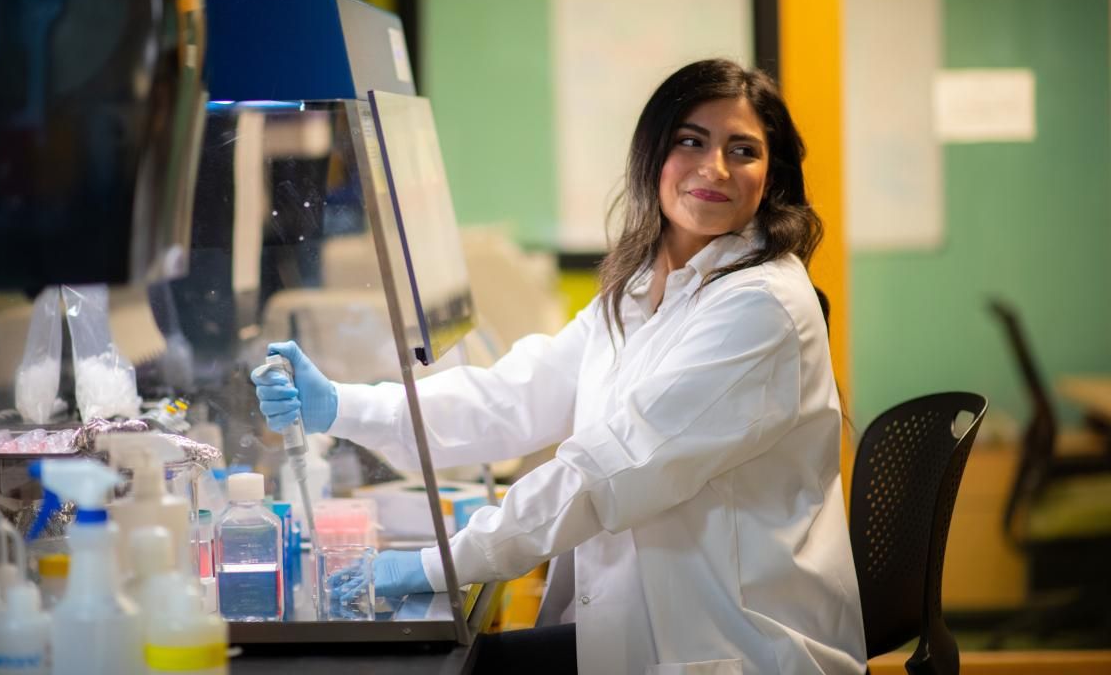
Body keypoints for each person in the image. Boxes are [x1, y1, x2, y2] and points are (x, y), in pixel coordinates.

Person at [253, 59, 867, 675]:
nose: (714, 168)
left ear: (771, 175)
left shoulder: (759, 304)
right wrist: (345, 404)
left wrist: (437, 564)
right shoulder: (642, 287)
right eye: (691, 141)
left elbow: (606, 469)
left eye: (743, 151)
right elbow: (515, 396)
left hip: (731, 642)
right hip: (652, 629)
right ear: (653, 153)